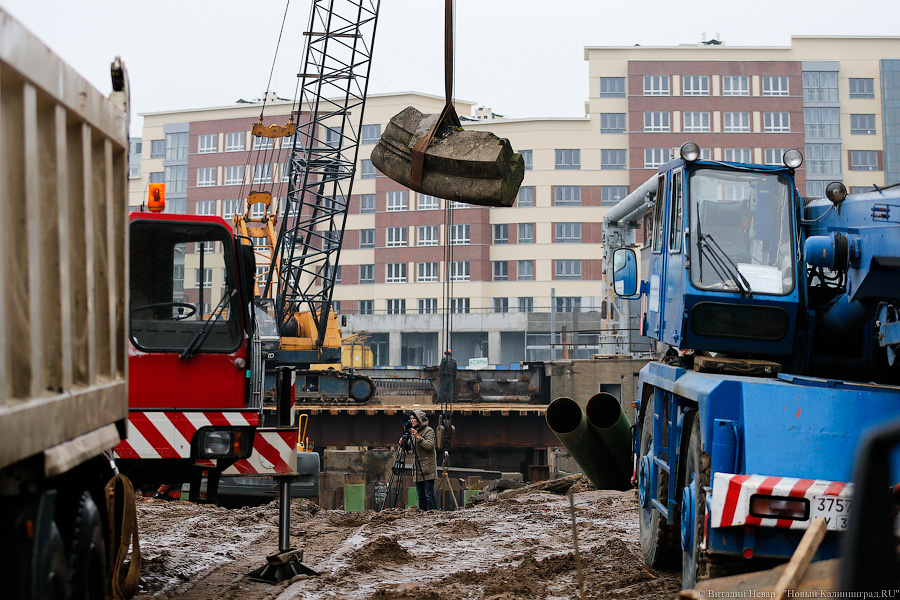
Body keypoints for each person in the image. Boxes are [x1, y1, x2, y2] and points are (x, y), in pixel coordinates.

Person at [408, 410, 437, 510]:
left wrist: (418, 437)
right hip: (417, 468)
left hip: (427, 468)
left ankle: (433, 514)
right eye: (411, 418)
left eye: (414, 418)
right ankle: (422, 516)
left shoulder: (429, 431)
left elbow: (429, 446)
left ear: (419, 419)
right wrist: (404, 443)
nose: (412, 420)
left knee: (429, 495)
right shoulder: (413, 432)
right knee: (421, 497)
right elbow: (410, 446)